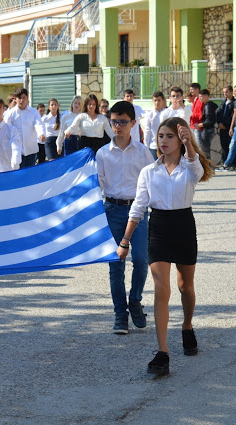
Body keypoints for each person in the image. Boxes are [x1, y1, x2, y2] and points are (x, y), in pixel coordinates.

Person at [117, 117, 213, 376]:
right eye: (161, 136)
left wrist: (188, 145)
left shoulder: (190, 167)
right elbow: (138, 208)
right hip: (158, 227)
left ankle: (187, 326)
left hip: (183, 226)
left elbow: (199, 170)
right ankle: (162, 352)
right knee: (162, 290)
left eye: (170, 136)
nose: (164, 141)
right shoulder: (149, 171)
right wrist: (125, 241)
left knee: (185, 286)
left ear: (181, 139)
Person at [96, 101, 153, 335]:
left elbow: (153, 181)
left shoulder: (142, 152)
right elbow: (95, 185)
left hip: (137, 212)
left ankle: (135, 300)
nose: (117, 126)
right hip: (112, 210)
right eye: (113, 122)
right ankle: (120, 314)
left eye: (122, 122)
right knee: (115, 264)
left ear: (133, 123)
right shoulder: (102, 153)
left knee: (141, 260)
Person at [4, 88, 45, 168]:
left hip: (30, 149)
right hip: (16, 151)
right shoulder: (10, 114)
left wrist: (41, 134)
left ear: (27, 98)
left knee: (29, 174)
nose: (22, 100)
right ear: (15, 99)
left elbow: (38, 124)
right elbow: (6, 129)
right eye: (19, 98)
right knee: (18, 174)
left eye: (24, 98)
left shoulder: (33, 112)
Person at [195, 89, 218, 161]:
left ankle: (207, 164)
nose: (200, 98)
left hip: (207, 130)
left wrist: (199, 125)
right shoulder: (210, 105)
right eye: (199, 96)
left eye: (201, 96)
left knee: (205, 149)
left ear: (207, 96)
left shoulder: (208, 106)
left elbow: (209, 120)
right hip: (208, 129)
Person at [143, 91, 166, 160]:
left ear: (162, 100)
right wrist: (146, 146)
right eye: (155, 100)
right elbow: (147, 131)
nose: (157, 102)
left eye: (159, 100)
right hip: (153, 146)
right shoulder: (150, 114)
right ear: (153, 101)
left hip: (165, 145)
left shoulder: (167, 112)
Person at [216, 86, 235, 167]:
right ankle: (225, 162)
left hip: (229, 127)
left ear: (231, 92)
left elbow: (232, 116)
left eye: (227, 92)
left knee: (231, 146)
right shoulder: (223, 102)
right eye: (224, 92)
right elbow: (219, 113)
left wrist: (225, 124)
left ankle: (232, 163)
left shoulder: (234, 102)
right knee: (224, 146)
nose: (225, 94)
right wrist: (219, 123)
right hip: (222, 128)